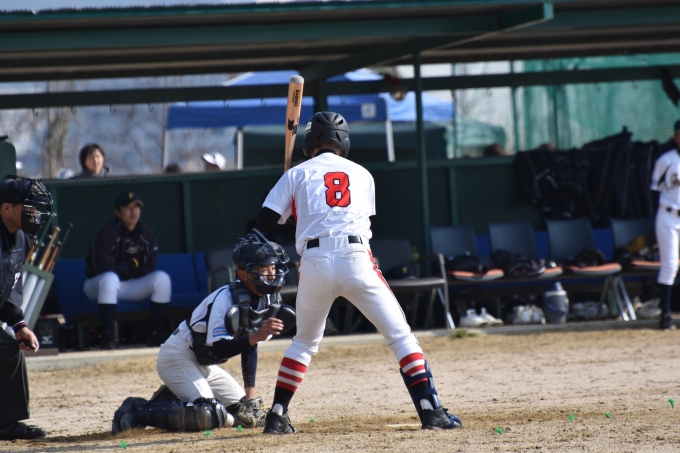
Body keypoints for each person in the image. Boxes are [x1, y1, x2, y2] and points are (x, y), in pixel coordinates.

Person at [256, 111, 463, 433]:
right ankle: (431, 410)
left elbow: (265, 224)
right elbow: (349, 216)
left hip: (314, 262)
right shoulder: (363, 174)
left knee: (304, 343)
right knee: (401, 337)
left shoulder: (296, 174)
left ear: (310, 141)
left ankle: (277, 415)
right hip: (356, 257)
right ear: (343, 141)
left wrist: (290, 198)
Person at [111, 231, 295, 433]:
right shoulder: (226, 298)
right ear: (244, 274)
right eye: (264, 269)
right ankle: (137, 410)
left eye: (273, 268)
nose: (272, 274)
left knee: (245, 414)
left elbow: (250, 348)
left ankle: (172, 397)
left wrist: (250, 396)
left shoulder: (267, 299)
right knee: (207, 414)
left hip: (204, 364)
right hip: (178, 356)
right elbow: (219, 350)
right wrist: (255, 336)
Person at [83, 192, 172, 348]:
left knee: (162, 278)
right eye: (128, 208)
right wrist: (133, 264)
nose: (133, 212)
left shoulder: (147, 232)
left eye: (136, 207)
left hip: (130, 285)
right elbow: (104, 268)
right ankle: (107, 336)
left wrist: (127, 267)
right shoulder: (106, 232)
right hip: (97, 286)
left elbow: (149, 266)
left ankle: (156, 333)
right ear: (118, 212)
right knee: (110, 279)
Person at [0, 176, 52, 440]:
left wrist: (19, 324)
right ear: (6, 208)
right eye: (28, 206)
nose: (35, 213)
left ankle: (6, 424)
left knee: (10, 350)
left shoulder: (21, 239)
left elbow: (9, 286)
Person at [650, 119, 680, 330]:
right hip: (668, 215)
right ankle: (666, 315)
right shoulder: (666, 160)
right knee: (670, 265)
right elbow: (653, 191)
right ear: (676, 137)